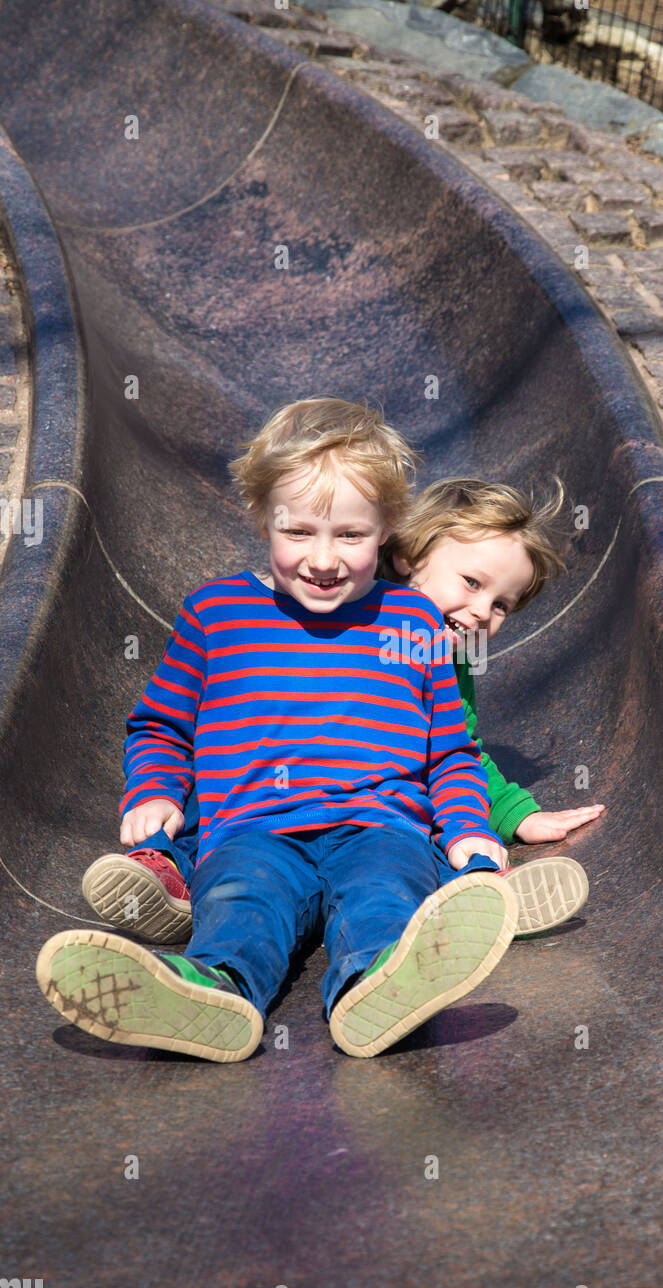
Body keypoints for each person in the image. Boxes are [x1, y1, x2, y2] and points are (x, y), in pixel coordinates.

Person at [36, 397, 522, 1062]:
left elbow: (451, 755)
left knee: (385, 898)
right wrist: (154, 791)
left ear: (385, 531)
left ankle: (380, 985)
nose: (324, 558)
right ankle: (213, 991)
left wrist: (470, 829)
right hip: (255, 827)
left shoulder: (414, 623)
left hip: (380, 825)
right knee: (241, 900)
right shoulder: (218, 615)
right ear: (262, 517)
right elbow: (161, 726)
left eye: (350, 535)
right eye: (299, 533)